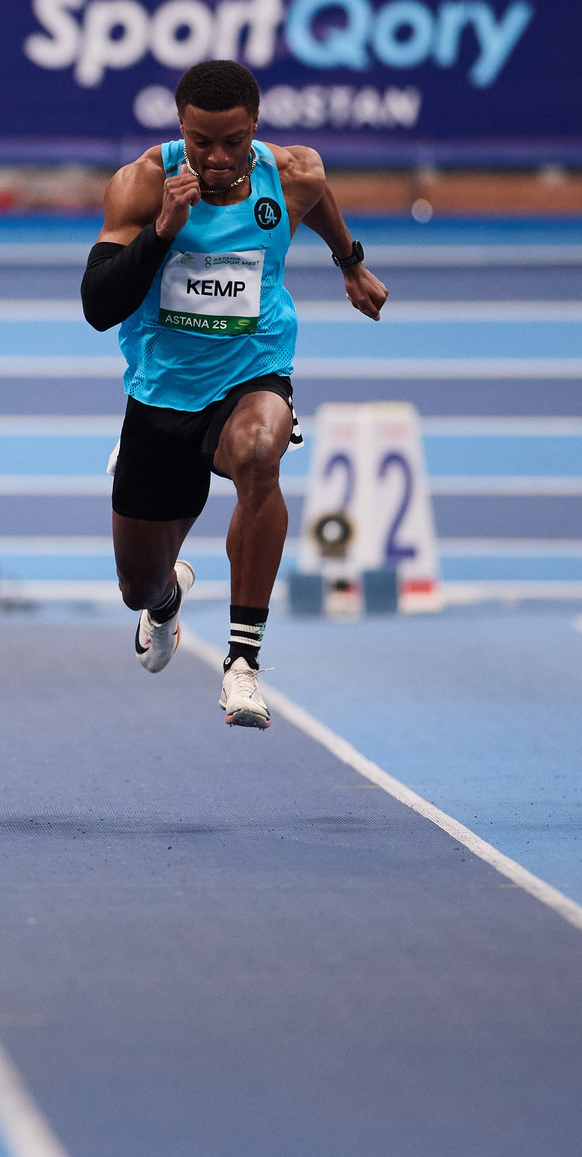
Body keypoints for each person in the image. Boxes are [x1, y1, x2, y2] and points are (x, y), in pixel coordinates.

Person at [80, 60, 388, 728]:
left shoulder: (294, 174)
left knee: (257, 451)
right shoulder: (140, 183)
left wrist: (350, 263)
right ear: (180, 128)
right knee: (138, 582)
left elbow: (320, 202)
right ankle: (167, 604)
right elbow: (99, 306)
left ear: (255, 128)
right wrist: (163, 229)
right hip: (162, 393)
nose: (217, 158)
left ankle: (242, 661)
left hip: (253, 370)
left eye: (234, 142)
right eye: (201, 142)